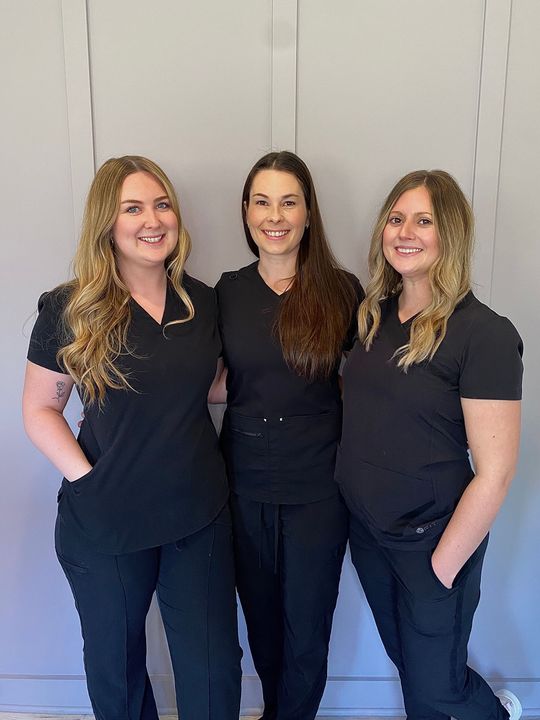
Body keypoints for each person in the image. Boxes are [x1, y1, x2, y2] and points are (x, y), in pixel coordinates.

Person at [22, 156, 242, 720]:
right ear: (107, 224)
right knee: (116, 672)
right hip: (106, 515)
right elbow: (41, 410)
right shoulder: (71, 308)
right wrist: (89, 481)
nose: (152, 220)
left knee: (212, 667)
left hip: (197, 511)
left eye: (162, 204)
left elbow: (207, 387)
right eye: (133, 208)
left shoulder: (203, 302)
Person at [337, 170, 523, 720]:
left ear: (452, 235)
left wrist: (441, 567)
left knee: (435, 688)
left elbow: (496, 473)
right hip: (369, 534)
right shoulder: (373, 319)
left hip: (432, 541)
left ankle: (493, 712)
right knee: (412, 665)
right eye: (396, 219)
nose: (405, 232)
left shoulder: (483, 334)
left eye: (424, 220)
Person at [214, 151, 363, 720]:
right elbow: (210, 381)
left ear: (307, 214)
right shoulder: (223, 293)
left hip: (321, 486)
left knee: (308, 628)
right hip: (243, 482)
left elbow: (367, 385)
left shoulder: (343, 290)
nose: (274, 215)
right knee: (262, 624)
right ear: (247, 212)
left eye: (288, 201)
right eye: (261, 201)